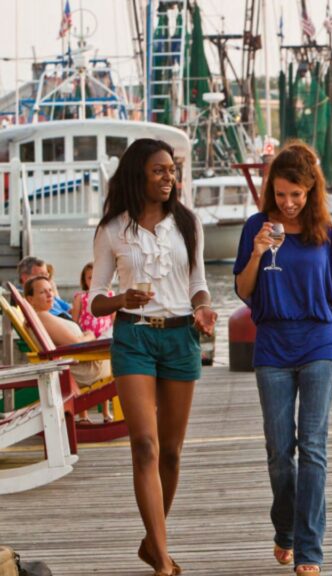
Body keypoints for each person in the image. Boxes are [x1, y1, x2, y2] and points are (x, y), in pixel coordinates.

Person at [89, 138, 217, 576]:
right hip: (134, 340)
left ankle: (151, 542)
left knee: (172, 453)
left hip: (181, 339)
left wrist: (203, 307)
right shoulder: (111, 230)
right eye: (159, 170)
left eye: (172, 170)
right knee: (144, 445)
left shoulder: (188, 223)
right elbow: (94, 301)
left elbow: (198, 282)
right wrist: (122, 296)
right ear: (137, 174)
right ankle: (163, 561)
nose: (169, 178)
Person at [234, 141, 332, 576]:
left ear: (310, 191)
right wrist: (257, 252)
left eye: (296, 195)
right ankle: (285, 527)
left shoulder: (328, 233)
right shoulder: (256, 227)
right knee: (279, 450)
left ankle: (309, 549)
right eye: (281, 194)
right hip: (273, 344)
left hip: (319, 342)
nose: (287, 203)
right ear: (272, 191)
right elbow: (245, 292)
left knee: (315, 449)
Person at [25, 275, 113, 423]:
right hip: (79, 369)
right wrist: (90, 334)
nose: (49, 294)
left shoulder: (44, 316)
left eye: (50, 290)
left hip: (76, 363)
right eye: (42, 292)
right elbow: (76, 343)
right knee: (123, 354)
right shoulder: (43, 317)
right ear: (30, 299)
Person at [72, 262, 114, 338]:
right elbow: (74, 321)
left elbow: (114, 318)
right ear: (84, 280)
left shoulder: (109, 295)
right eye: (90, 278)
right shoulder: (80, 297)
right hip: (87, 336)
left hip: (106, 336)